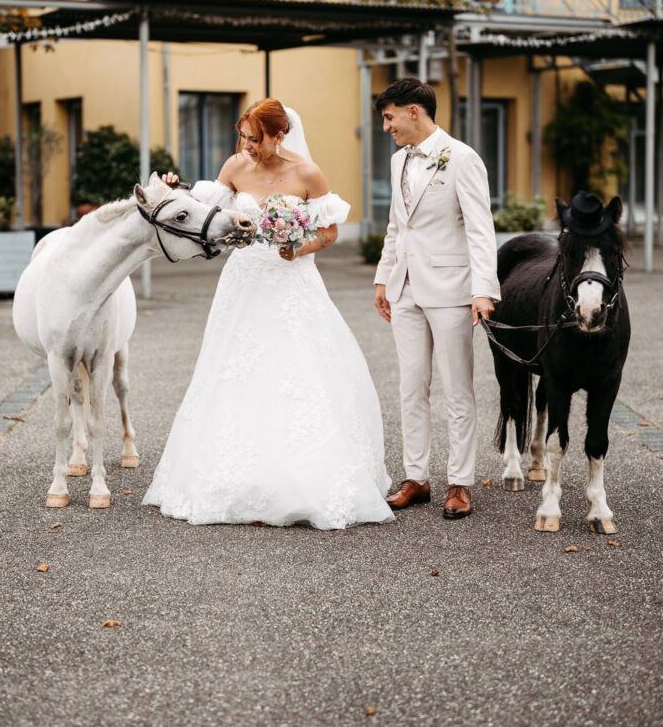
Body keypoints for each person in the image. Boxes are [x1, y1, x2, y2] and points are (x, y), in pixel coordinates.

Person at [143, 99, 393, 530]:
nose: (247, 146)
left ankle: (298, 478)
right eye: (243, 136)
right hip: (243, 281)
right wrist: (173, 188)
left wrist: (298, 247)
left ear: (280, 135)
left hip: (292, 283)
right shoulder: (236, 167)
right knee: (233, 369)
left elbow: (329, 232)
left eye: (255, 138)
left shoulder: (307, 174)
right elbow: (206, 213)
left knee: (297, 373)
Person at [373, 78, 500, 520]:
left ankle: (460, 483)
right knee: (411, 386)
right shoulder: (397, 162)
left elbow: (481, 229)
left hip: (450, 288)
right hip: (404, 287)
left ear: (414, 111)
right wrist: (382, 277)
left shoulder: (462, 158)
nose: (386, 126)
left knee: (457, 389)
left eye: (389, 117)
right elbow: (397, 224)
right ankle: (416, 477)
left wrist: (483, 290)